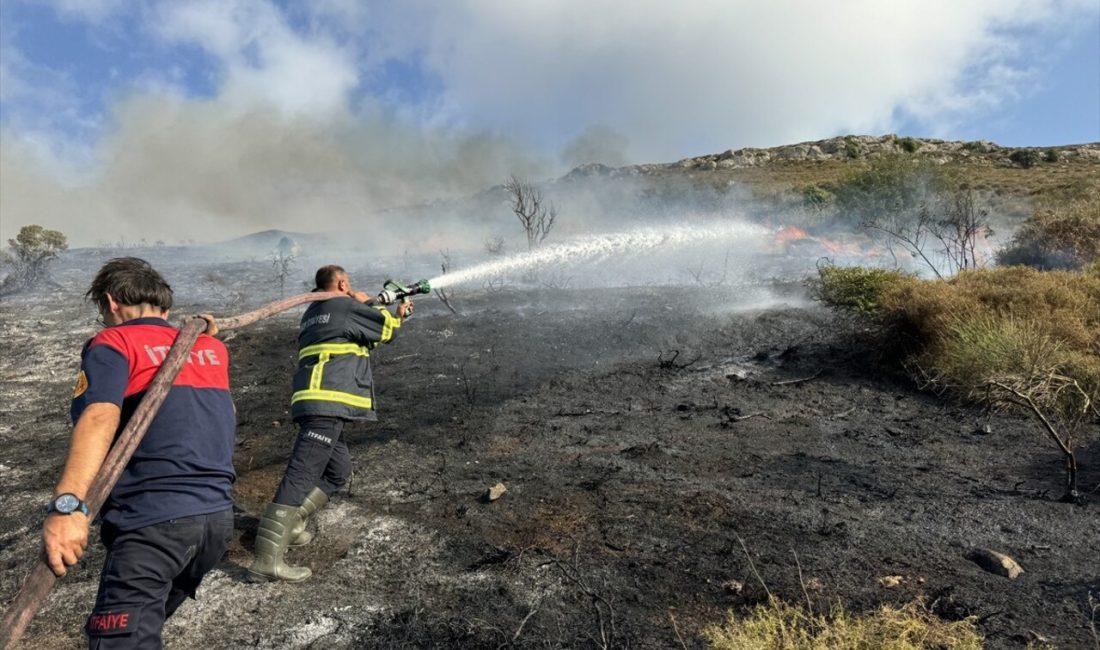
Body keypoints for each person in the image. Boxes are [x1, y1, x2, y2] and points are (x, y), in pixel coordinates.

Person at [42, 257, 234, 649]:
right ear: (165, 305)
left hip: (153, 525)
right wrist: (204, 336)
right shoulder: (210, 347)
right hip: (214, 523)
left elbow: (98, 418)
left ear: (111, 303)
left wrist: (66, 508)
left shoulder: (113, 342)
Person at [248, 265, 412, 582]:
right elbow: (385, 330)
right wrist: (378, 306)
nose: (351, 287)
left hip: (314, 399)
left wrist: (386, 312)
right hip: (328, 400)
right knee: (300, 474)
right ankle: (266, 560)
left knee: (338, 471)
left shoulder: (314, 312)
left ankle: (292, 525)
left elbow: (362, 339)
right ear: (340, 282)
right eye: (348, 283)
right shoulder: (344, 305)